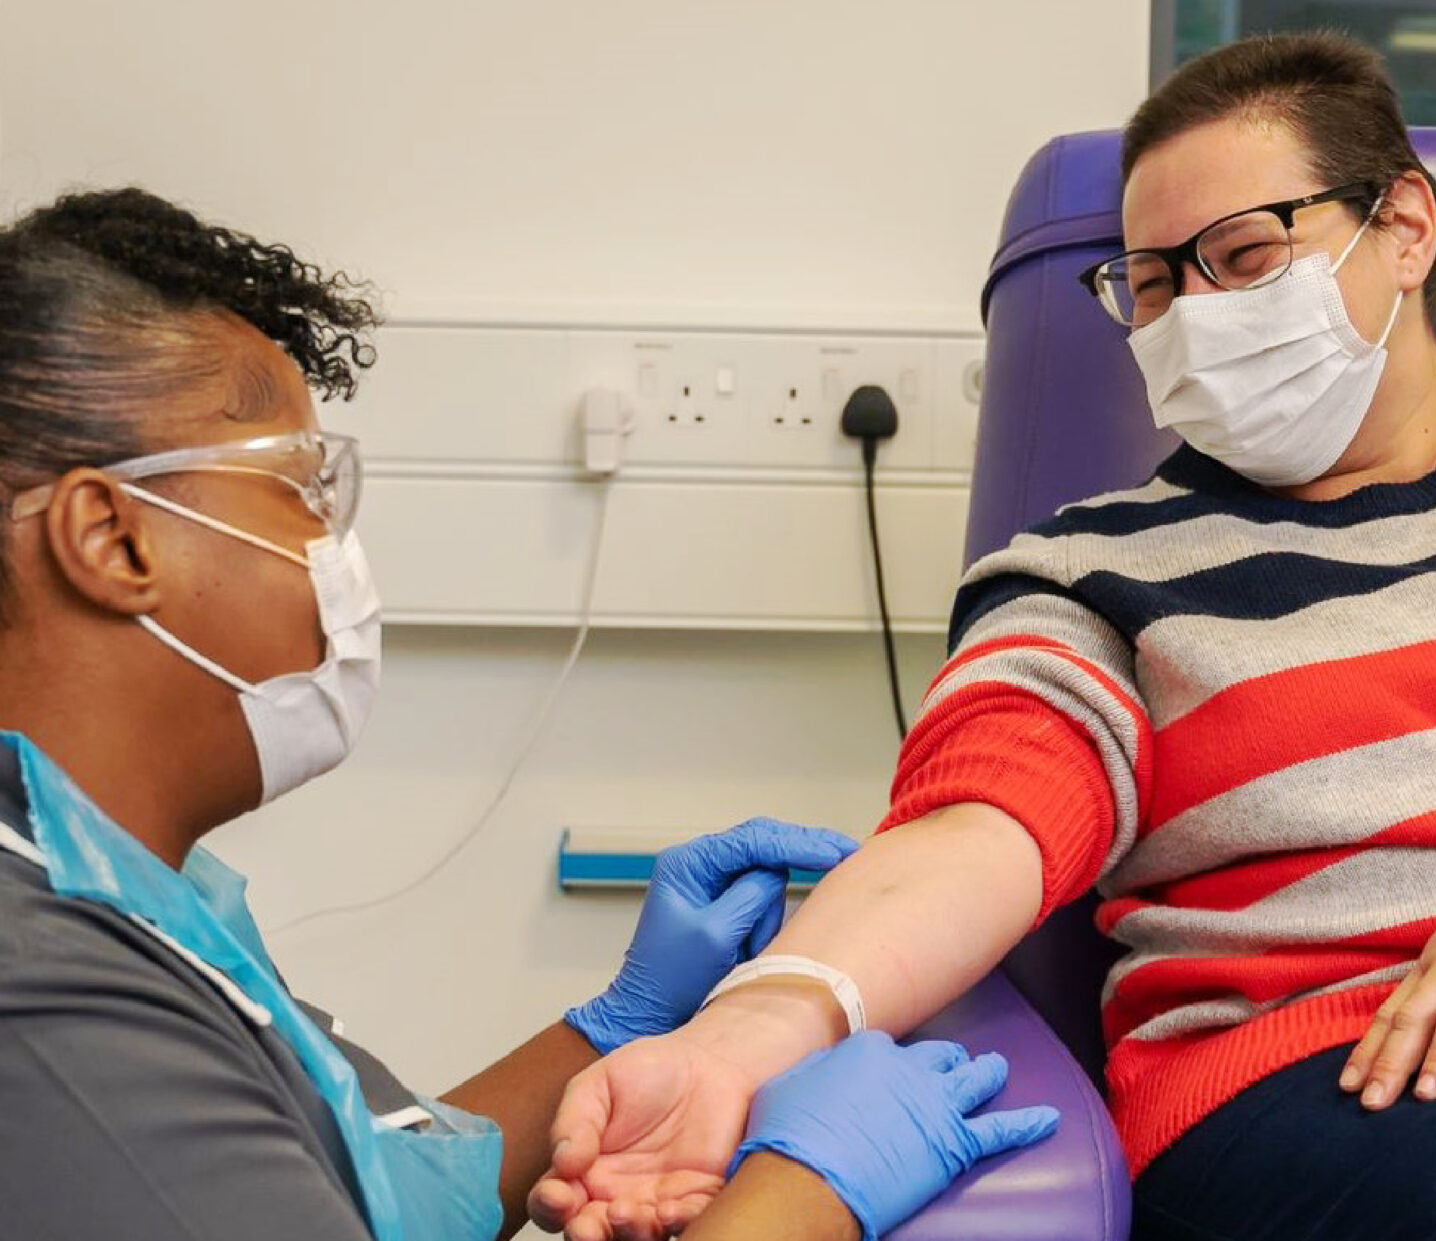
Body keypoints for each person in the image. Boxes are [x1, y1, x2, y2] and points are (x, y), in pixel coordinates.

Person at [531, 31, 1436, 1241]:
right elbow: (980, 823)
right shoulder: (1089, 564)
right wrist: (745, 1031)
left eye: (1245, 256)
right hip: (1336, 1059)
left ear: (1407, 227)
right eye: (1148, 282)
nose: (1194, 314)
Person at [0, 187, 1057, 1241]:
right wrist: (806, 1192)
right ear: (114, 536)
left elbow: (381, 1186)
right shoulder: (43, 997)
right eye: (302, 487)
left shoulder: (126, 897)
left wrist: (618, 1029)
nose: (335, 550)